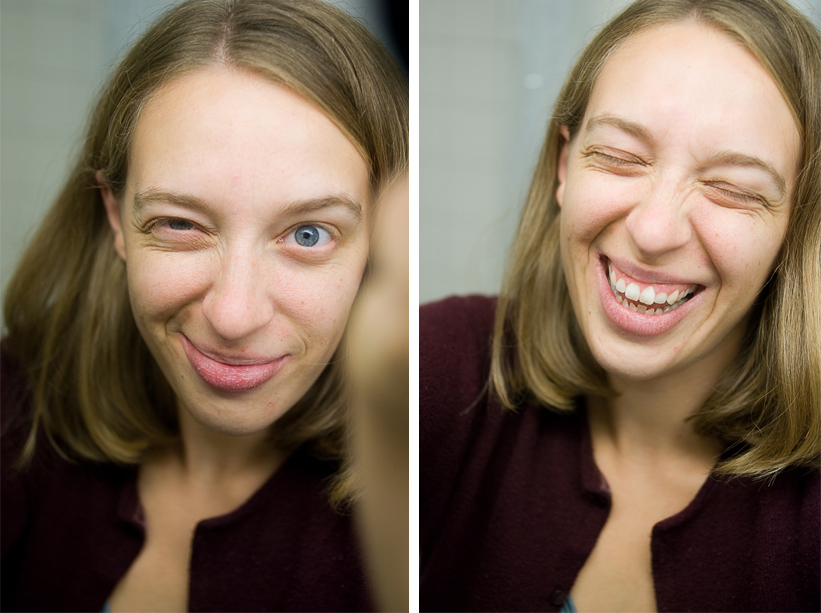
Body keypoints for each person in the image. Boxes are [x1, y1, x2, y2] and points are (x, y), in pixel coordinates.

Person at [1, 0, 408, 611]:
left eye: (307, 234)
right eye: (180, 223)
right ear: (116, 217)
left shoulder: (414, 505)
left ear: (381, 241)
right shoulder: (17, 402)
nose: (233, 316)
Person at [420, 0, 820, 611]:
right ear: (564, 165)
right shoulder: (441, 367)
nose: (655, 230)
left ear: (797, 230)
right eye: (619, 156)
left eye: (733, 189)